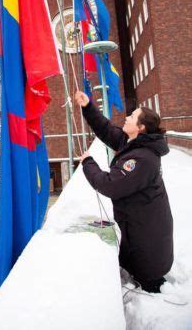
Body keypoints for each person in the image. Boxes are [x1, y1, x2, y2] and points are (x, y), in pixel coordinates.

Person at [74, 90, 174, 293]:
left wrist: (88, 162)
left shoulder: (142, 158)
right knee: (135, 260)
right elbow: (106, 130)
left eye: (132, 116)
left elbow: (111, 185)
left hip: (147, 236)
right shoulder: (134, 143)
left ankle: (153, 290)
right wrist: (87, 106)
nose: (127, 117)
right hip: (137, 225)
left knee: (148, 278)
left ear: (141, 127)